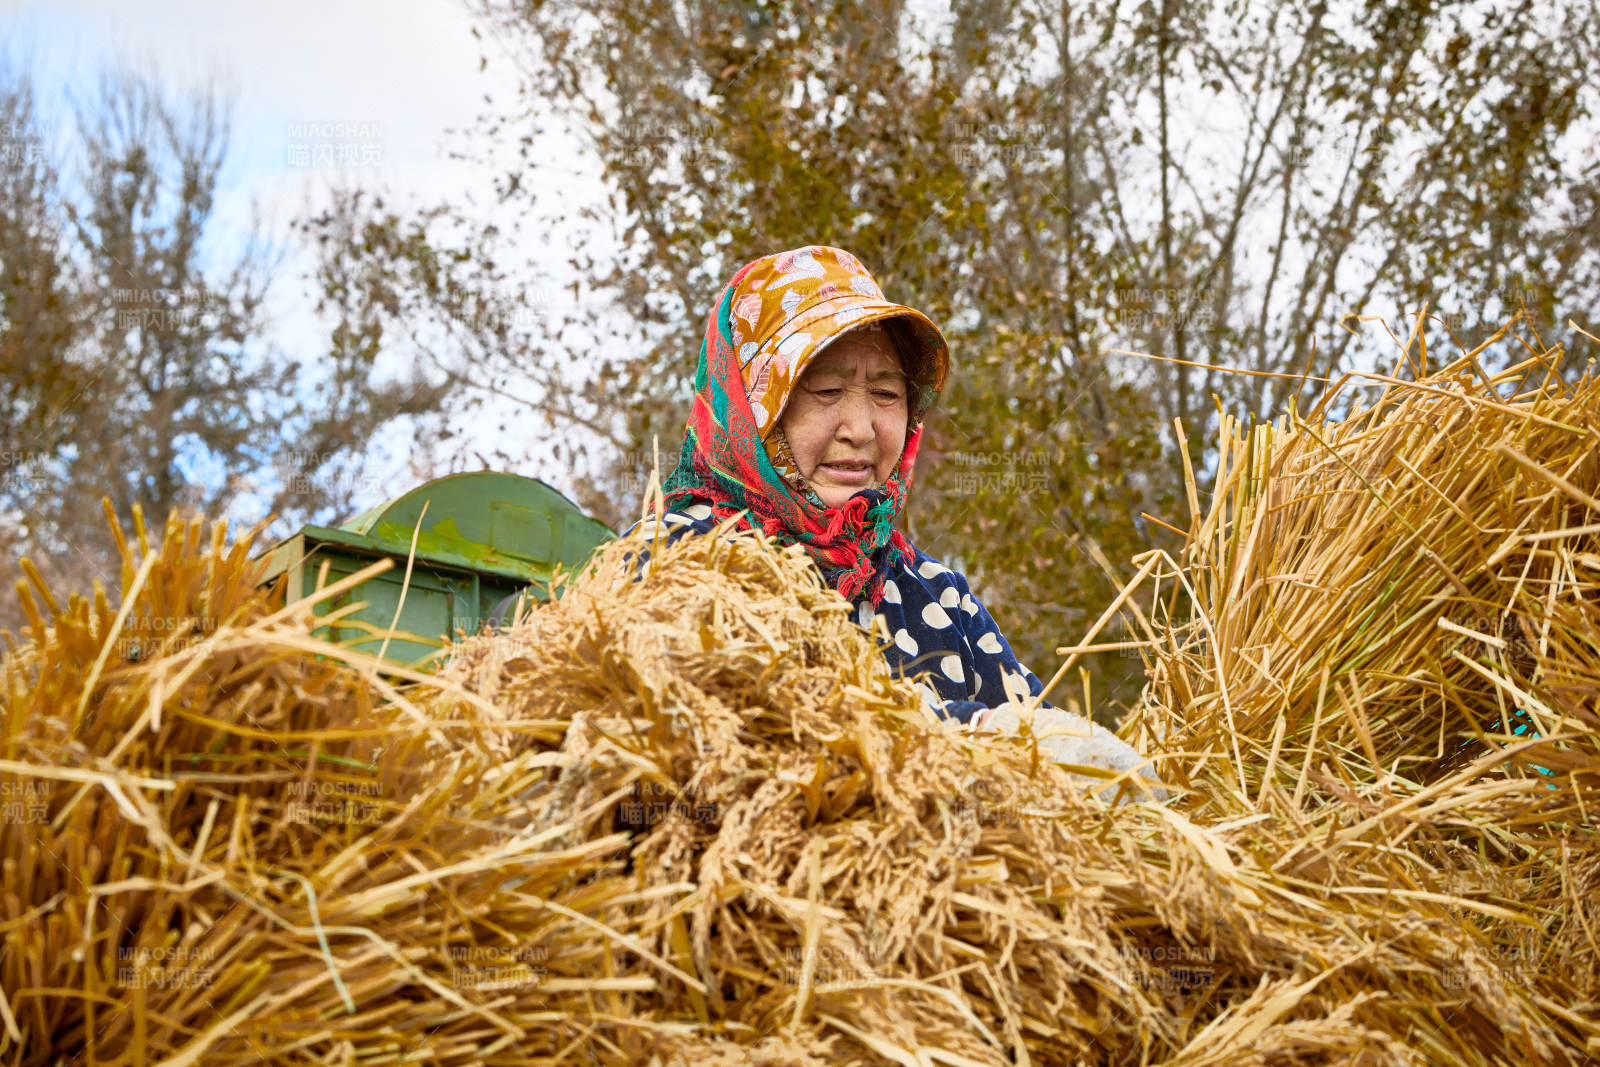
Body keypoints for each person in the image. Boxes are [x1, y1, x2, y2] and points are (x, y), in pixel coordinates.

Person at [622, 245, 1159, 789]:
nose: (860, 428)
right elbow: (744, 744)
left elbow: (1046, 749)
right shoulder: (673, 559)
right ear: (749, 403)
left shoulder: (937, 597)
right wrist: (965, 734)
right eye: (825, 390)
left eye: (885, 393)